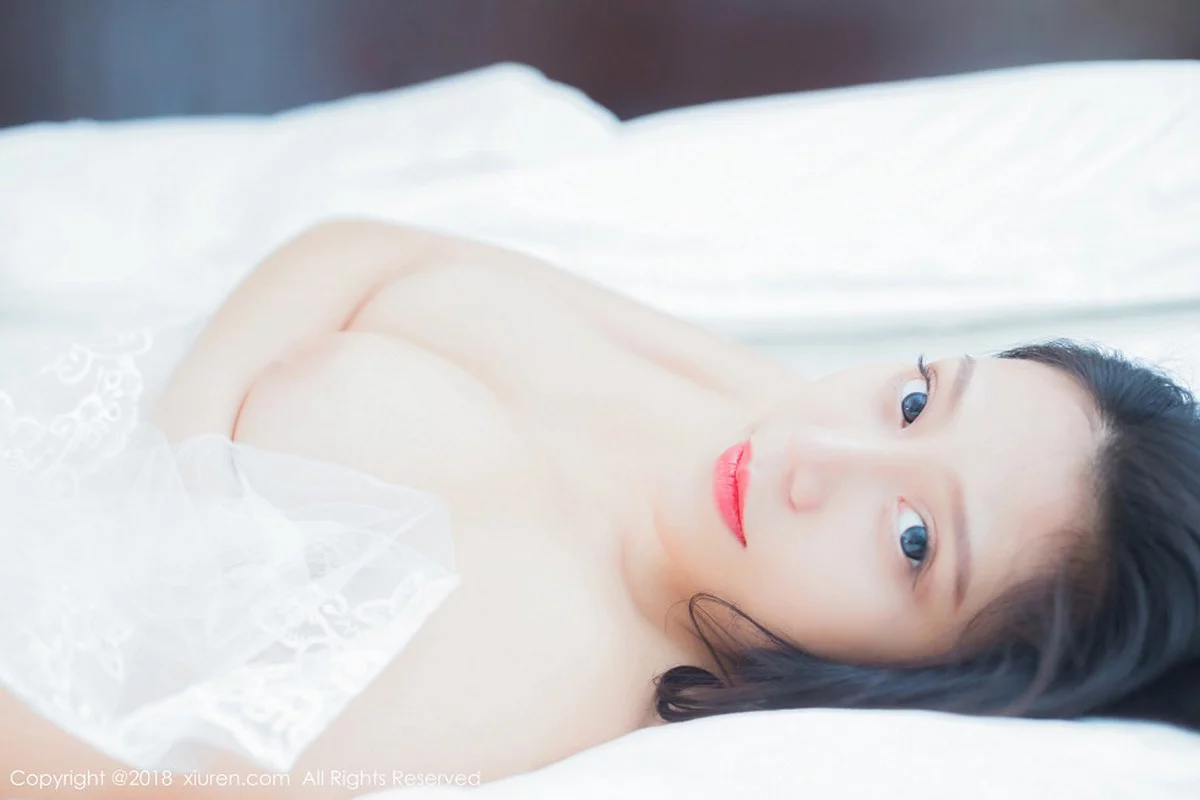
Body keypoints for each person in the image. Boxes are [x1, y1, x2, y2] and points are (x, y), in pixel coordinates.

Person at [6, 218, 1198, 798]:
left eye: (913, 540)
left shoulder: (530, 678)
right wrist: (180, 449)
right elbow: (368, 247)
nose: (818, 456)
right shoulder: (760, 425)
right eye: (918, 396)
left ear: (937, 682)